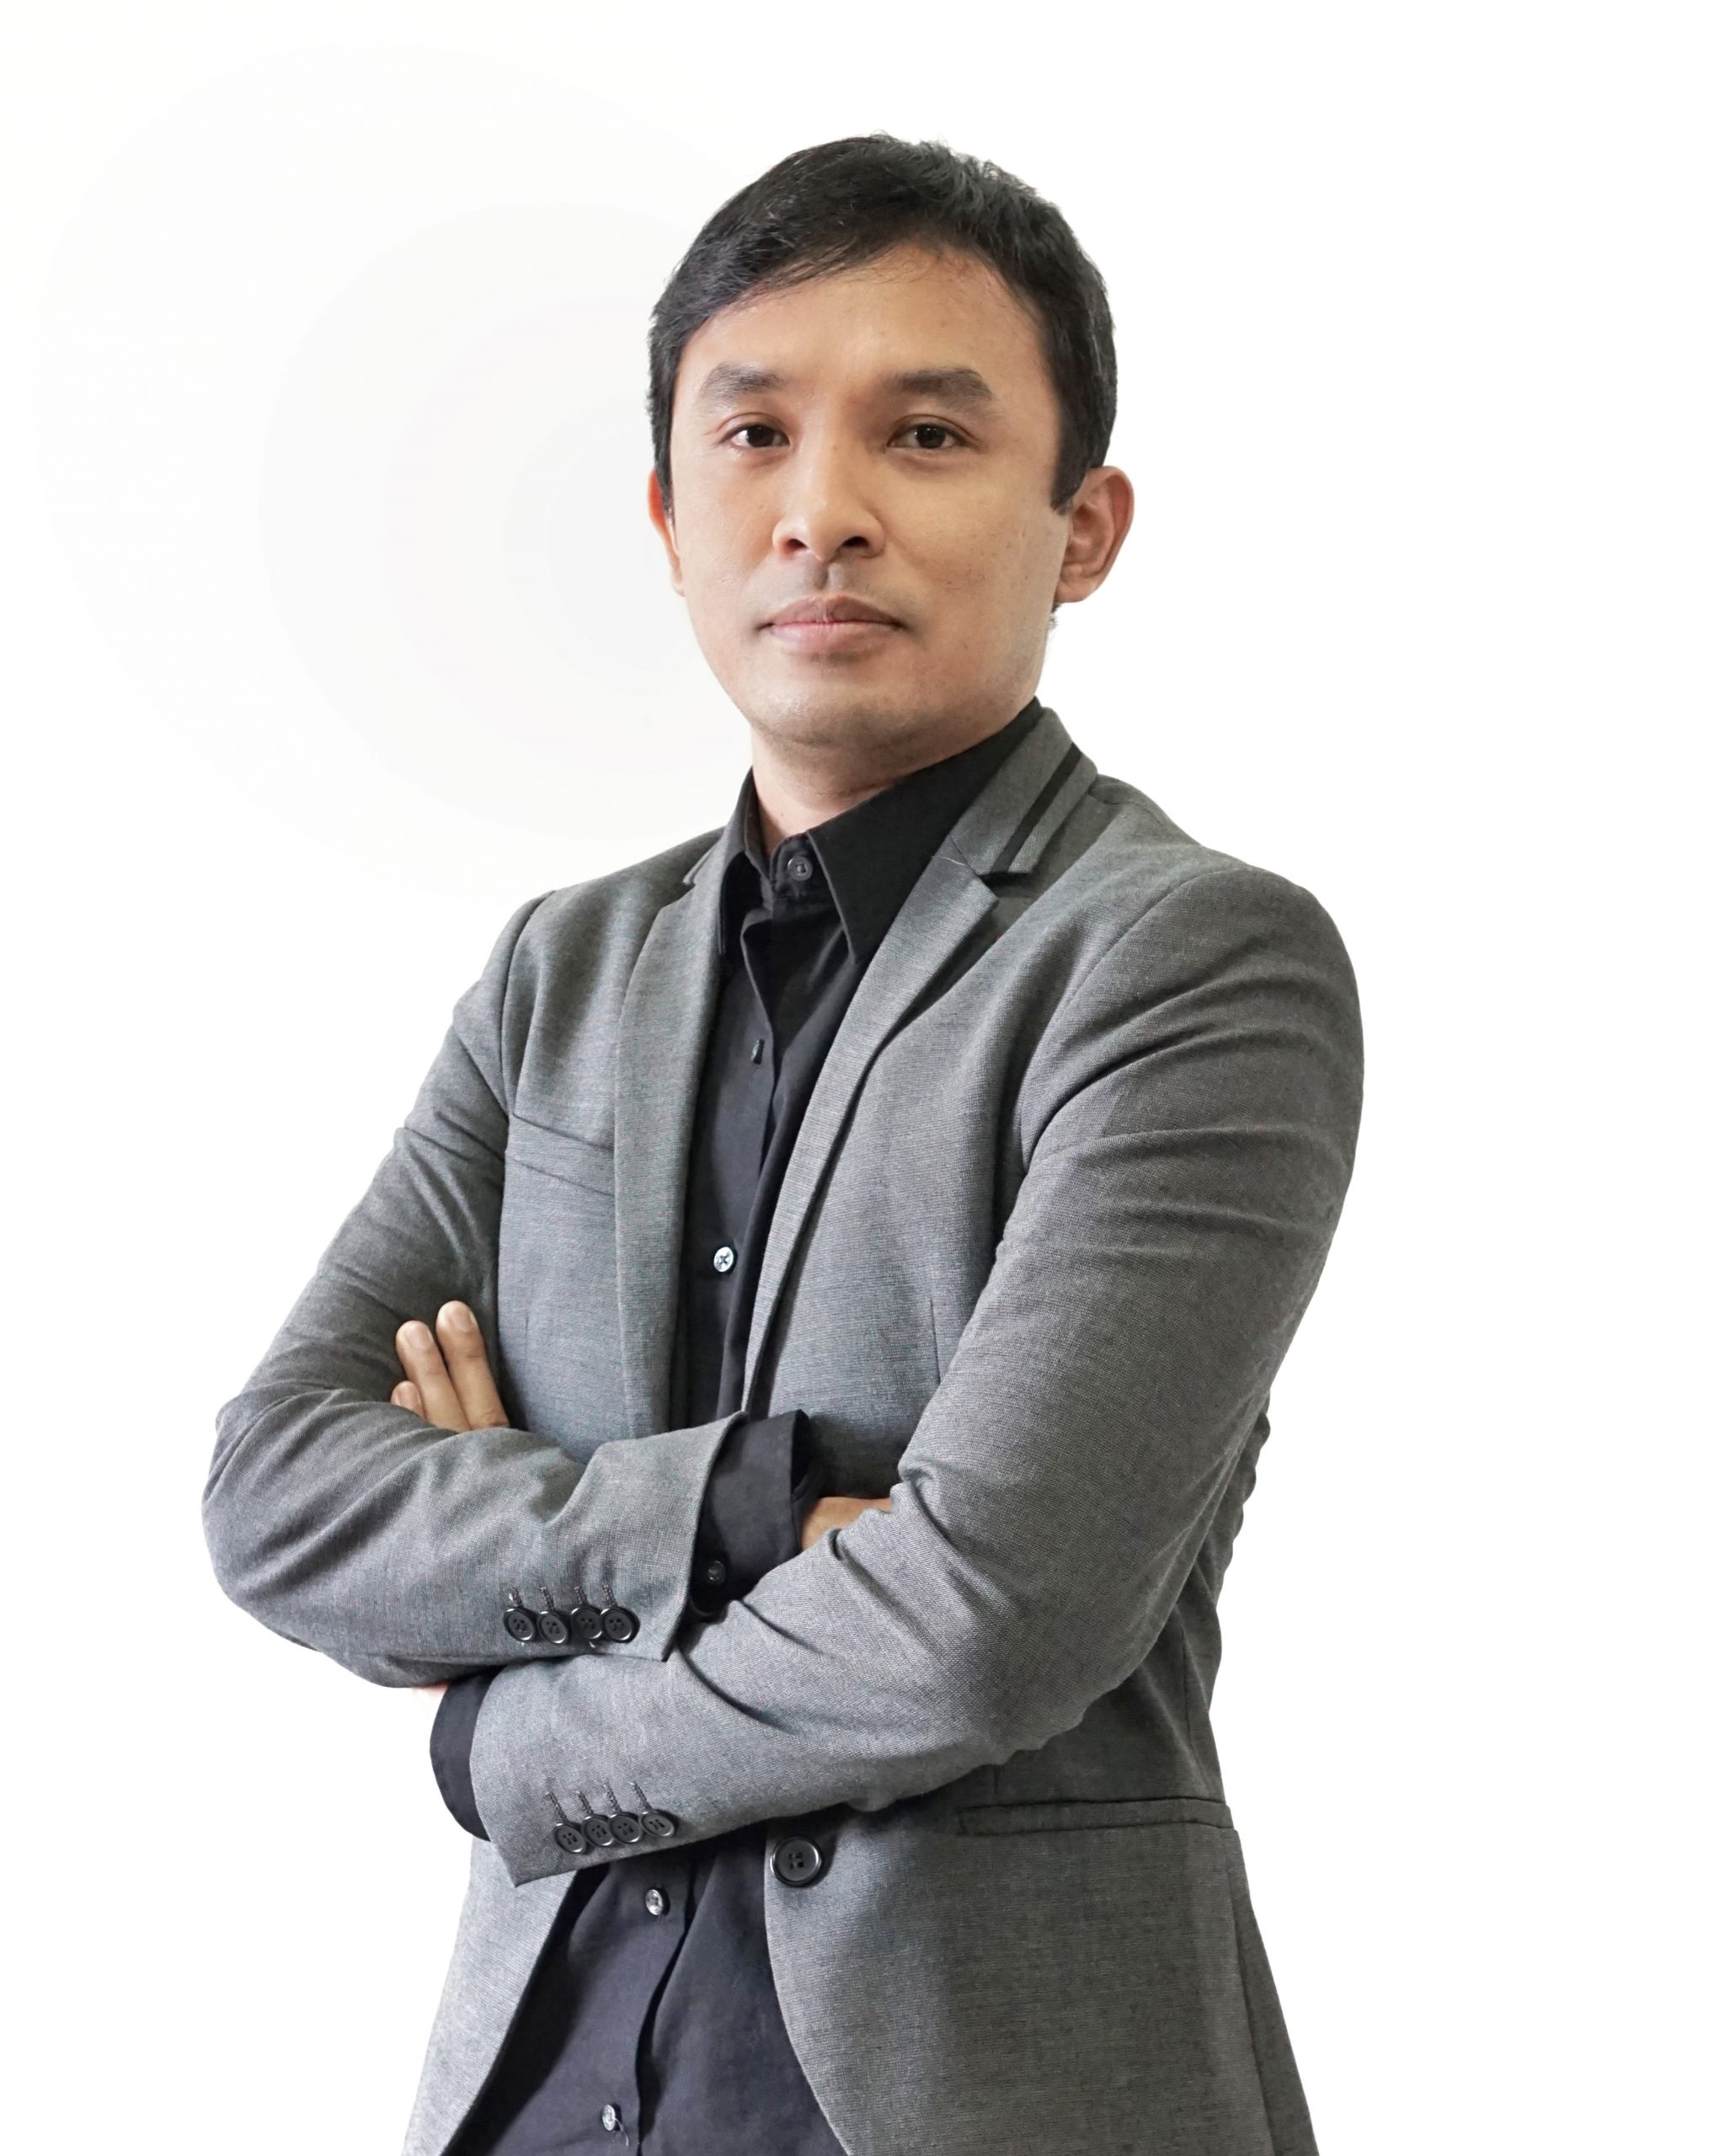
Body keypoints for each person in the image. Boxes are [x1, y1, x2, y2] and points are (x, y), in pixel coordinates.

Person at [204, 132, 1365, 2156]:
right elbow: (281, 1496)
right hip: (535, 2093)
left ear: (1081, 526)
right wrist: (749, 1511)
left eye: (926, 433)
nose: (821, 509)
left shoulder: (1186, 963)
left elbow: (980, 1616)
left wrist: (499, 1726)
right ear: (671, 518)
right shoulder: (558, 974)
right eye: (752, 434)